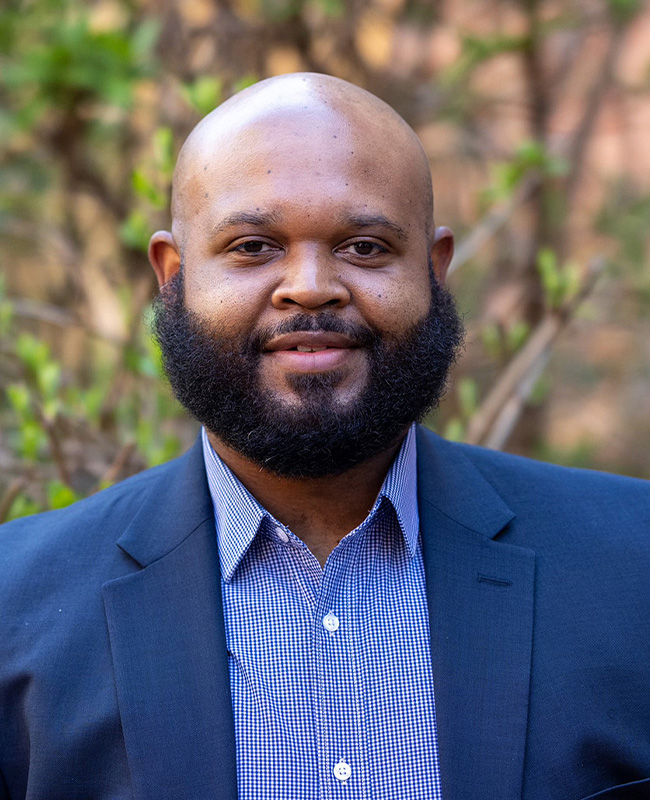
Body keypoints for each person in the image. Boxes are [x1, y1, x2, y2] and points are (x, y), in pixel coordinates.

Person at [1, 73, 649, 800]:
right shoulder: (15, 606)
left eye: (365, 247)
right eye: (252, 246)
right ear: (173, 276)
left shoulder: (636, 568)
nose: (310, 286)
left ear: (434, 273)